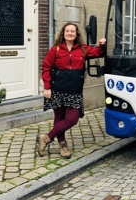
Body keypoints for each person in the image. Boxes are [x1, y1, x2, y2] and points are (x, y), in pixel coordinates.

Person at [37, 22, 106, 159]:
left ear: (76, 34)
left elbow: (98, 53)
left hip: (74, 91)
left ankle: (46, 137)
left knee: (72, 119)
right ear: (63, 33)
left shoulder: (83, 49)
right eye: (67, 31)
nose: (69, 33)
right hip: (57, 90)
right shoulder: (55, 49)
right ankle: (62, 145)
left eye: (72, 31)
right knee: (59, 118)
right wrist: (47, 87)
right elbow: (46, 68)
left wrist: (101, 44)